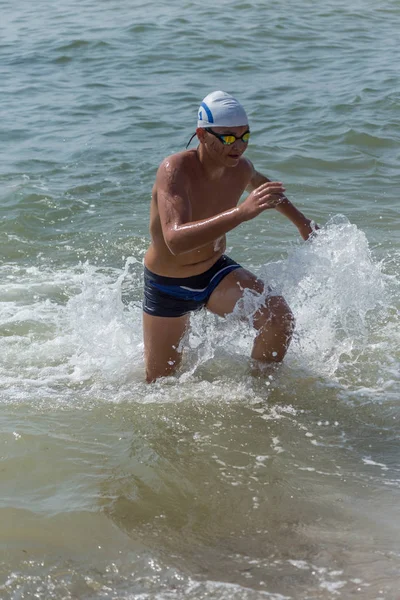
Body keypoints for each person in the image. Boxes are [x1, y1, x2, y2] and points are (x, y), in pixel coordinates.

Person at [143, 90, 315, 383]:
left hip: (214, 273)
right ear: (201, 135)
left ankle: (259, 394)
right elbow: (175, 239)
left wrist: (303, 225)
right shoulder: (175, 170)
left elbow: (267, 192)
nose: (238, 146)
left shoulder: (242, 169)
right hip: (168, 286)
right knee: (160, 382)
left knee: (278, 319)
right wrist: (241, 213)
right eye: (227, 137)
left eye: (244, 136)